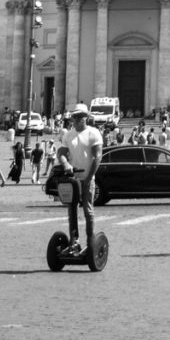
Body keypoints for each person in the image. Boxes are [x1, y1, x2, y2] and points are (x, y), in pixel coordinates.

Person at [62, 104, 103, 252]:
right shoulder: (68, 134)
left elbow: (98, 157)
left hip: (88, 178)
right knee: (71, 210)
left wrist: (89, 177)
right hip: (73, 179)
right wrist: (65, 163)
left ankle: (90, 242)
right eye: (75, 116)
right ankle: (74, 242)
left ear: (86, 117)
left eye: (80, 116)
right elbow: (61, 152)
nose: (77, 119)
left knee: (88, 210)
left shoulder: (94, 133)